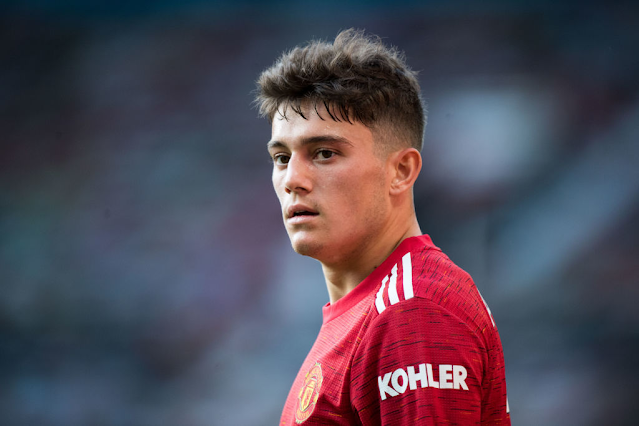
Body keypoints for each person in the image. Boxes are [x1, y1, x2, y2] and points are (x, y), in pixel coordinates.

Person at [255, 29, 510, 425]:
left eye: (324, 153)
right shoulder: (373, 309)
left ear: (401, 171)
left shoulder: (413, 309)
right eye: (282, 158)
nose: (292, 179)